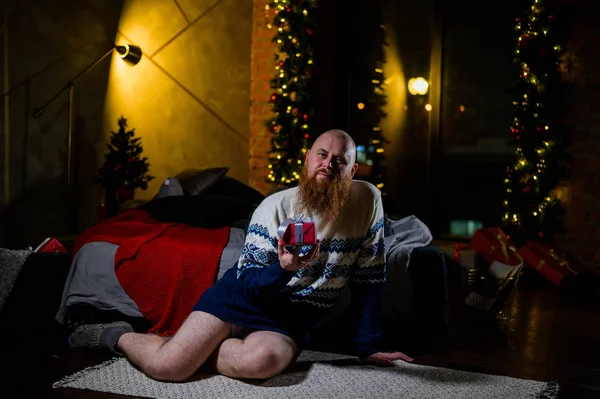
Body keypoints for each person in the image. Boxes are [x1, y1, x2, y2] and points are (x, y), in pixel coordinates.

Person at [69, 129, 413, 382]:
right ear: (307, 160)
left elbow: (370, 277)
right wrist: (284, 268)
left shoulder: (368, 201)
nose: (328, 164)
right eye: (321, 155)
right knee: (167, 368)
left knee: (260, 363)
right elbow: (249, 284)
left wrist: (367, 346)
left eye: (340, 160)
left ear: (352, 172)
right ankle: (115, 334)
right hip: (242, 297)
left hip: (291, 317)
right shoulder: (273, 207)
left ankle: (190, 349)